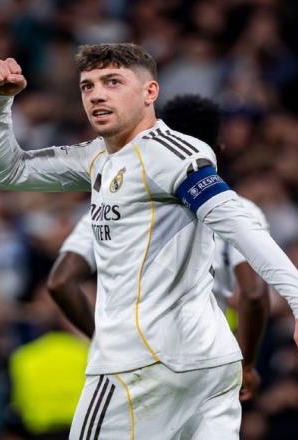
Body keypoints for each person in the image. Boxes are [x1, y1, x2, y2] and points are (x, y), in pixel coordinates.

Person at [0, 43, 298, 439]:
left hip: (138, 365)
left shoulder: (171, 155)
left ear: (150, 92)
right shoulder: (96, 158)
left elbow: (240, 225)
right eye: (88, 86)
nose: (96, 94)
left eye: (113, 82)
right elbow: (5, 173)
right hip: (206, 363)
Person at [47, 94, 269, 402]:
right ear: (217, 150)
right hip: (203, 363)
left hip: (136, 364)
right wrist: (247, 363)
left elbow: (60, 282)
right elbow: (254, 294)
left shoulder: (111, 204)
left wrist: (106, 343)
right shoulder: (239, 210)